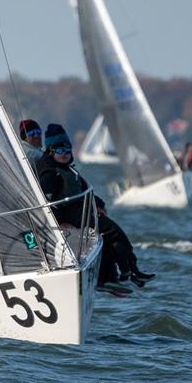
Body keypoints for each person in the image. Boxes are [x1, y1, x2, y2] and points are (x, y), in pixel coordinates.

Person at [35, 123, 154, 288]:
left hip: (80, 213)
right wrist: (61, 222)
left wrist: (99, 205)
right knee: (115, 232)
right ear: (51, 151)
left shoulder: (67, 169)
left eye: (67, 150)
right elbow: (50, 205)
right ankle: (129, 272)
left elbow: (86, 190)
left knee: (108, 236)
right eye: (59, 150)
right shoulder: (50, 174)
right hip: (72, 217)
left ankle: (114, 275)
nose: (64, 154)